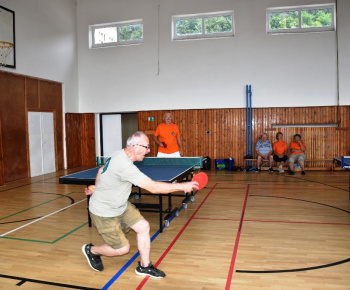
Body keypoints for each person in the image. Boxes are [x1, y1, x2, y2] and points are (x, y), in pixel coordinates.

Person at [82, 131, 198, 278]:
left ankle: (144, 266)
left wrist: (96, 187)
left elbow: (101, 170)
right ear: (135, 147)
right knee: (122, 249)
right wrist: (183, 186)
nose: (149, 150)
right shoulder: (124, 165)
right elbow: (153, 187)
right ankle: (92, 250)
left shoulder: (119, 154)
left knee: (143, 227)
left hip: (121, 205)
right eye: (147, 147)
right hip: (104, 212)